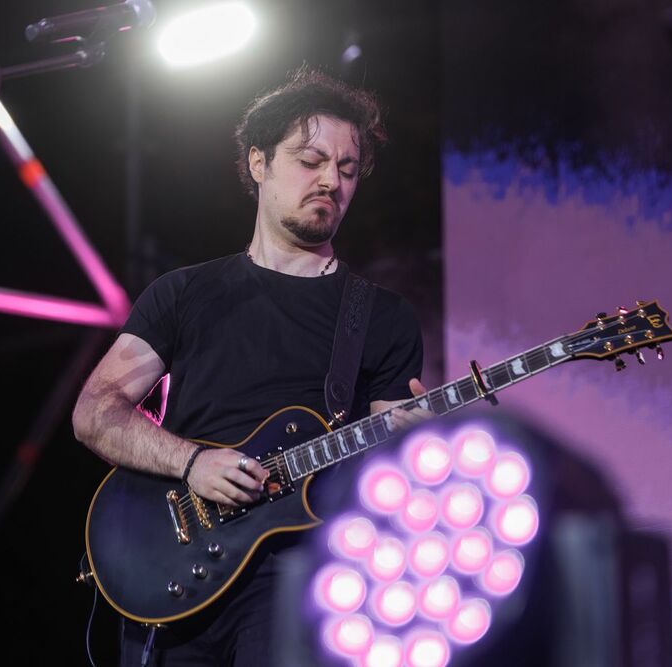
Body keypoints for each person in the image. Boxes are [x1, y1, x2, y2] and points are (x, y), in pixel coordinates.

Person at [72, 66, 432, 666]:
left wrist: (417, 452)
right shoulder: (184, 293)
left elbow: (392, 480)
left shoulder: (383, 317)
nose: (331, 181)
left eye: (347, 169)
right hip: (179, 570)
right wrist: (191, 462)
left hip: (303, 575)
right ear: (258, 163)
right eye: (311, 161)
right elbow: (94, 412)